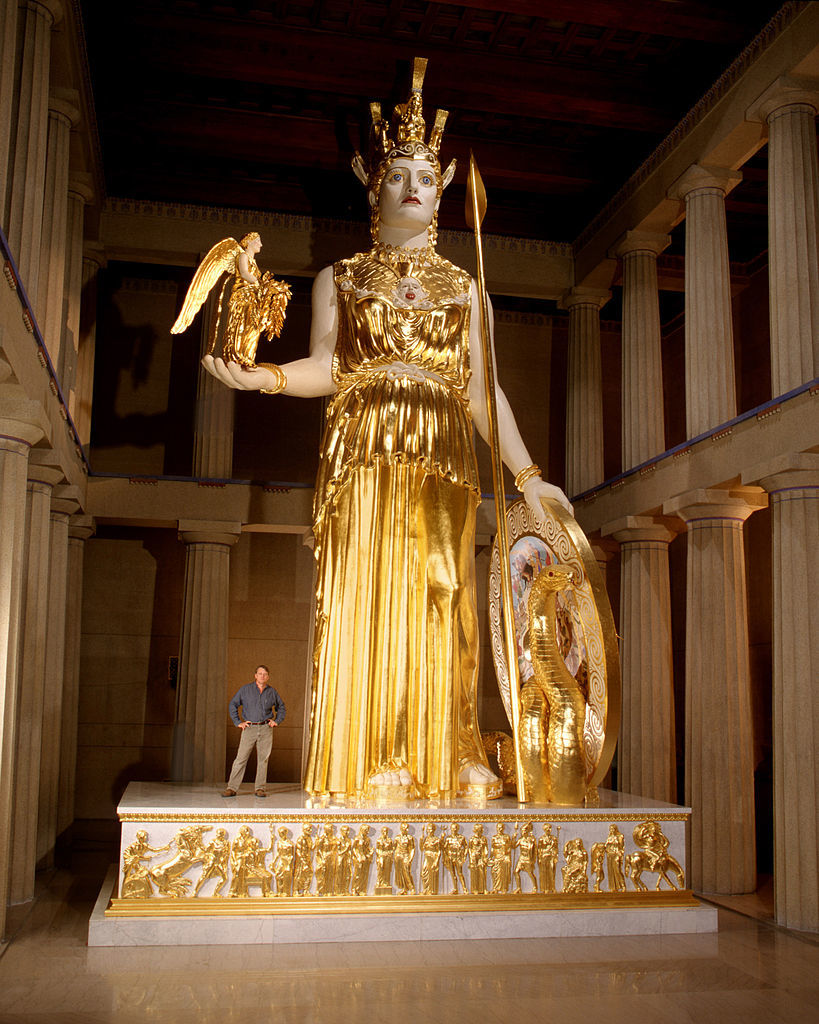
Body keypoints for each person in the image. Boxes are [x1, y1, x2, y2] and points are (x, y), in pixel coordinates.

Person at [204, 59, 571, 801]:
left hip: (441, 451)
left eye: (426, 178)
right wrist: (264, 377)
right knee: (373, 596)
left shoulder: (466, 290)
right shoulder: (340, 278)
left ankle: (453, 748)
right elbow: (327, 367)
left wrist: (529, 476)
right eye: (398, 174)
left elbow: (482, 391)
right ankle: (380, 753)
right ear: (374, 189)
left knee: (444, 591)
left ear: (440, 194)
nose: (412, 186)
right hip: (366, 448)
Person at [223, 665, 286, 797]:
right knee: (241, 758)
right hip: (249, 728)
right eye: (260, 673)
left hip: (266, 728)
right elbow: (233, 704)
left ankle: (260, 788)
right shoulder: (245, 690)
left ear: (268, 677)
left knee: (263, 759)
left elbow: (281, 707)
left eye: (265, 674)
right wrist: (238, 722)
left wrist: (277, 721)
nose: (262, 676)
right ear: (255, 675)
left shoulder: (272, 692)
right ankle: (232, 788)